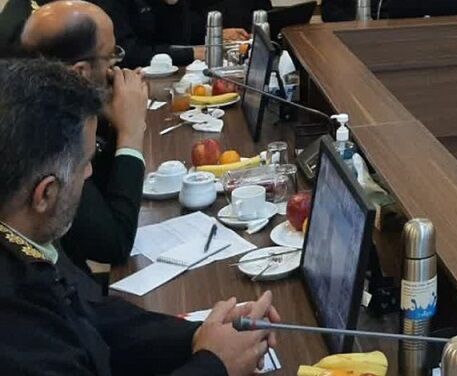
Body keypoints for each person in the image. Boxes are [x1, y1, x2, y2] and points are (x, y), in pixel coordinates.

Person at [0, 57, 279, 375]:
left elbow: (92, 318)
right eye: (86, 162)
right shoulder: (14, 320)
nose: (89, 173)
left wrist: (201, 335)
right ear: (45, 194)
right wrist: (215, 365)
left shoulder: (24, 241)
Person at [18, 1, 146, 270]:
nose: (115, 68)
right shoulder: (46, 139)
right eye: (111, 56)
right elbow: (113, 244)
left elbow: (104, 195)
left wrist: (110, 119)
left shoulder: (38, 102)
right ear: (79, 73)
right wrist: (130, 134)